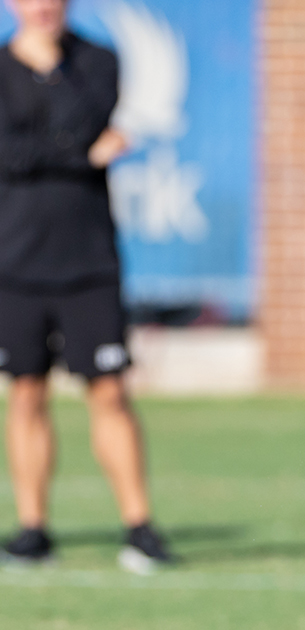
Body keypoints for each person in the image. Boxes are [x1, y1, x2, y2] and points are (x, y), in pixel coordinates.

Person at [0, 0, 173, 573]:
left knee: (109, 391)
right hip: (15, 264)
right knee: (25, 394)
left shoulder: (97, 61)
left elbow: (89, 121)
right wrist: (78, 152)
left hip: (89, 262)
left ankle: (140, 527)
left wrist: (56, 142)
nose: (44, 7)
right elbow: (12, 153)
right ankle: (32, 530)